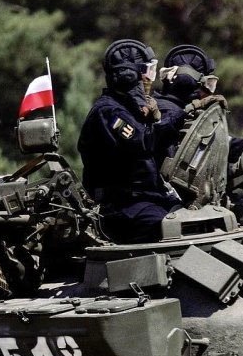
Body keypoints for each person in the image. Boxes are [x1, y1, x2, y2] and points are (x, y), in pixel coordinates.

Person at [77, 39, 187, 243]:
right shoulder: (108, 112)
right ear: (130, 75)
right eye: (148, 70)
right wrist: (179, 114)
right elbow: (144, 142)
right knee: (172, 229)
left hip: (146, 199)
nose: (150, 78)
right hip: (120, 206)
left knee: (197, 221)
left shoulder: (129, 108)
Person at [153, 44, 243, 166]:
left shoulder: (186, 114)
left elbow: (223, 145)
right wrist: (190, 109)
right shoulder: (162, 109)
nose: (207, 92)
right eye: (208, 84)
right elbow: (159, 134)